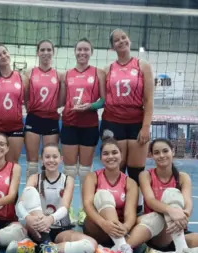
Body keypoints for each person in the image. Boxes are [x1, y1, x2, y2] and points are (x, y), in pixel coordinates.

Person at [6, 143, 97, 253]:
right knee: (30, 191)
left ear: (61, 159)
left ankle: (38, 249)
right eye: (47, 157)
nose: (51, 160)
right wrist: (28, 218)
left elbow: (65, 207)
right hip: (36, 229)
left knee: (91, 245)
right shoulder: (34, 178)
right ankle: (47, 248)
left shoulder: (68, 180)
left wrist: (50, 219)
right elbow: (21, 205)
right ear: (41, 159)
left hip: (60, 229)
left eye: (55, 157)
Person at [102, 28, 154, 213]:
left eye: (124, 37)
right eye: (117, 40)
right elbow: (101, 98)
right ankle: (117, 204)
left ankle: (137, 207)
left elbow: (148, 100)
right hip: (112, 121)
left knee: (136, 169)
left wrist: (146, 126)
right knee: (117, 166)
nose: (121, 41)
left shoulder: (142, 66)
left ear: (129, 40)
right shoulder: (108, 69)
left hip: (136, 122)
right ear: (112, 46)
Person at [60, 38, 106, 225]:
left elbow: (103, 100)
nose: (82, 53)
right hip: (70, 123)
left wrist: (90, 106)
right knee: (69, 171)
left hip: (89, 124)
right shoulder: (66, 75)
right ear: (74, 51)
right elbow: (62, 100)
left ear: (91, 52)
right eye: (79, 49)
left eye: (86, 49)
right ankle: (68, 209)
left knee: (85, 172)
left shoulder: (99, 73)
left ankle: (85, 210)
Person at [82, 136, 140, 253]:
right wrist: (104, 224)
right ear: (101, 158)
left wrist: (125, 227)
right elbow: (87, 206)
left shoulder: (130, 182)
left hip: (120, 230)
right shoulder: (92, 177)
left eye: (114, 152)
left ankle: (116, 251)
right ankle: (125, 251)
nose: (110, 156)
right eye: (106, 153)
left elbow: (130, 213)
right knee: (103, 194)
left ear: (121, 155)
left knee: (146, 220)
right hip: (97, 227)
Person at [24, 39, 63, 179]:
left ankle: (47, 192)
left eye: (49, 50)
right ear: (37, 53)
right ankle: (31, 192)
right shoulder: (29, 73)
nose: (46, 53)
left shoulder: (59, 75)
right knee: (32, 161)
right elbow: (25, 97)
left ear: (53, 52)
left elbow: (62, 99)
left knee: (50, 160)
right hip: (33, 118)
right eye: (42, 50)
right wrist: (33, 108)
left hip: (51, 119)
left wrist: (51, 108)